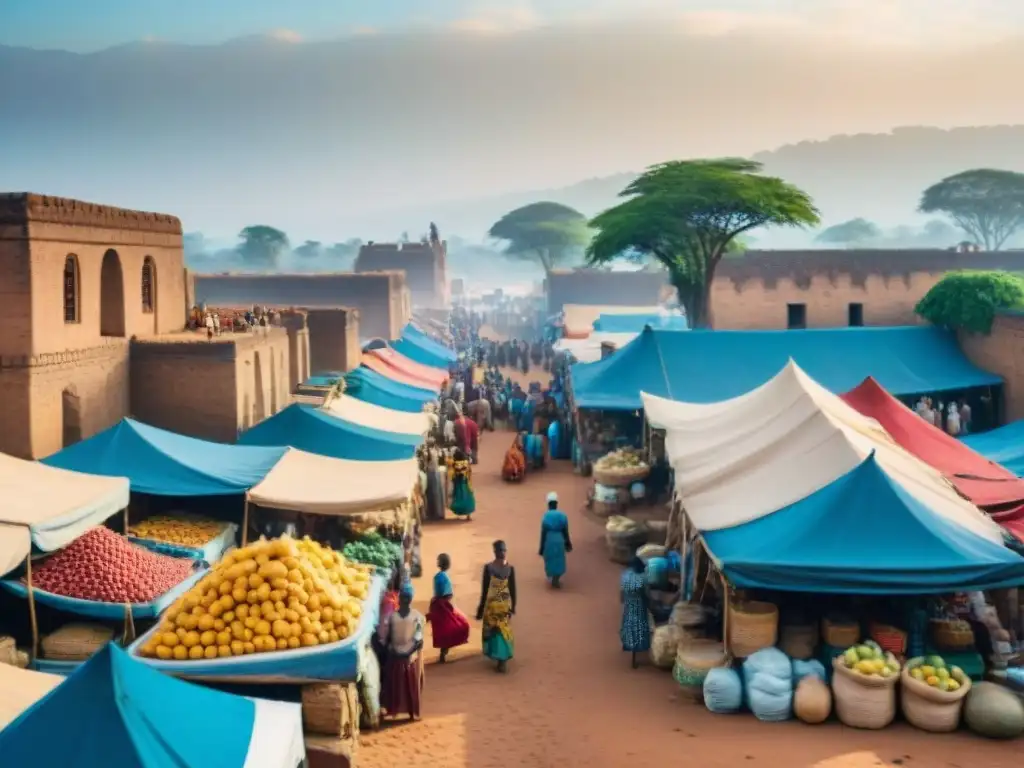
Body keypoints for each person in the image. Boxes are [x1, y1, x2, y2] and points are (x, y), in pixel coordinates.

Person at [380, 585, 424, 720]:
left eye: (406, 597)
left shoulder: (413, 617)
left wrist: (406, 652)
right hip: (402, 656)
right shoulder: (396, 617)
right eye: (403, 597)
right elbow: (389, 637)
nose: (405, 599)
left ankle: (405, 712)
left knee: (404, 686)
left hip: (405, 657)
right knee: (402, 686)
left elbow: (418, 637)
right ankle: (402, 711)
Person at [476, 540, 516, 673]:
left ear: (494, 552)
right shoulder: (510, 569)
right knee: (504, 631)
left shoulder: (488, 568)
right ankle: (502, 659)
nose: (503, 553)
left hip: (492, 607)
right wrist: (513, 606)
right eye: (503, 551)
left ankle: (499, 657)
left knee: (494, 630)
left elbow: (485, 590)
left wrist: (480, 610)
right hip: (504, 607)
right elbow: (513, 590)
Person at [426, 553, 471, 663]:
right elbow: (448, 594)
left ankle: (443, 652)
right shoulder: (445, 577)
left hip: (438, 604)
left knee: (442, 629)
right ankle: (444, 652)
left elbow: (438, 593)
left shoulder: (438, 577)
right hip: (444, 605)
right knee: (454, 625)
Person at [620, 556, 651, 669]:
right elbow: (646, 594)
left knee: (628, 625)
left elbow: (622, 592)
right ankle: (638, 650)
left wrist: (623, 601)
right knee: (640, 627)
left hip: (629, 605)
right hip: (639, 606)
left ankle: (629, 646)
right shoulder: (643, 578)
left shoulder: (625, 576)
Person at [539, 491, 572, 588]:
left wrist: (541, 547)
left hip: (549, 540)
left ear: (548, 504)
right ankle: (556, 579)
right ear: (556, 504)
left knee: (549, 559)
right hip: (559, 539)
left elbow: (543, 532)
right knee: (559, 559)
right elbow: (565, 531)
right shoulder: (563, 515)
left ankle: (551, 577)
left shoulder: (546, 516)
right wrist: (568, 543)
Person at [448, 448, 477, 520]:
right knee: (468, 498)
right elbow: (469, 473)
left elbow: (452, 474)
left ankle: (458, 513)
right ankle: (468, 515)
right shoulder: (466, 463)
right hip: (465, 483)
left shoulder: (454, 464)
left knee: (458, 498)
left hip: (458, 484)